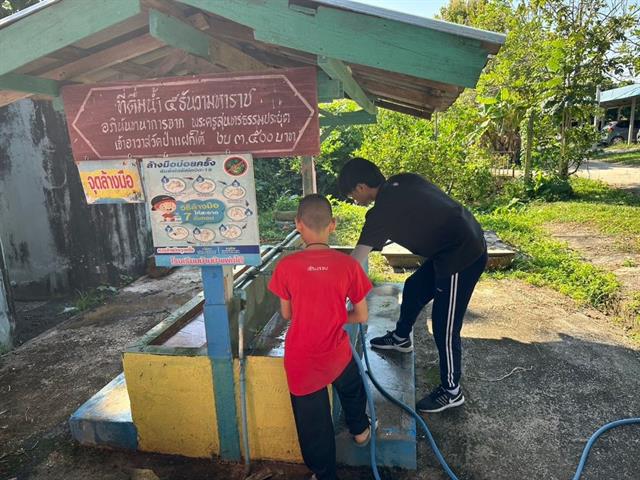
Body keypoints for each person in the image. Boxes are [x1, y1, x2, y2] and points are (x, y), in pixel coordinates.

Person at [338, 158, 487, 414]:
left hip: (461, 256)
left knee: (445, 326)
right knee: (415, 287)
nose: (354, 200)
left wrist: (331, 294)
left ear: (361, 187)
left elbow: (355, 262)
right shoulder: (404, 180)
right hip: (452, 246)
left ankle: (452, 390)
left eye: (352, 194)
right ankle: (400, 337)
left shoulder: (381, 212)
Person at [268, 194, 374, 480]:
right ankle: (361, 431)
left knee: (313, 423)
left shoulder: (286, 267)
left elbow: (287, 314)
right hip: (336, 353)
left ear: (297, 225)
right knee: (352, 386)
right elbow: (362, 315)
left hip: (301, 359)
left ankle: (325, 474)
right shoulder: (348, 265)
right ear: (333, 225)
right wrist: (339, 317)